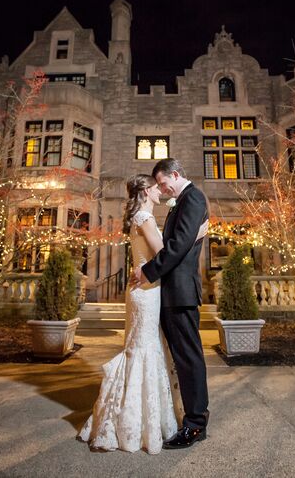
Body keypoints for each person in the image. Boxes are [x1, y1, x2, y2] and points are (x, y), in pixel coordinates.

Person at [78, 174, 208, 454]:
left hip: (148, 290)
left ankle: (144, 414)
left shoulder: (142, 215)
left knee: (145, 349)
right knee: (143, 350)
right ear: (147, 191)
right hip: (147, 292)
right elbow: (166, 253)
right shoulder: (144, 218)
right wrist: (195, 234)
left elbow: (164, 253)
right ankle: (135, 419)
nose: (161, 191)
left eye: (162, 185)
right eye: (157, 187)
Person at [131, 158, 210, 449]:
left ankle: (195, 424)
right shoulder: (184, 200)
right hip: (172, 291)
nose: (162, 191)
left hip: (181, 292)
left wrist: (148, 271)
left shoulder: (193, 197)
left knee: (188, 358)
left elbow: (176, 247)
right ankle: (191, 416)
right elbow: (178, 242)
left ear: (175, 175)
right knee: (181, 358)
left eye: (163, 183)